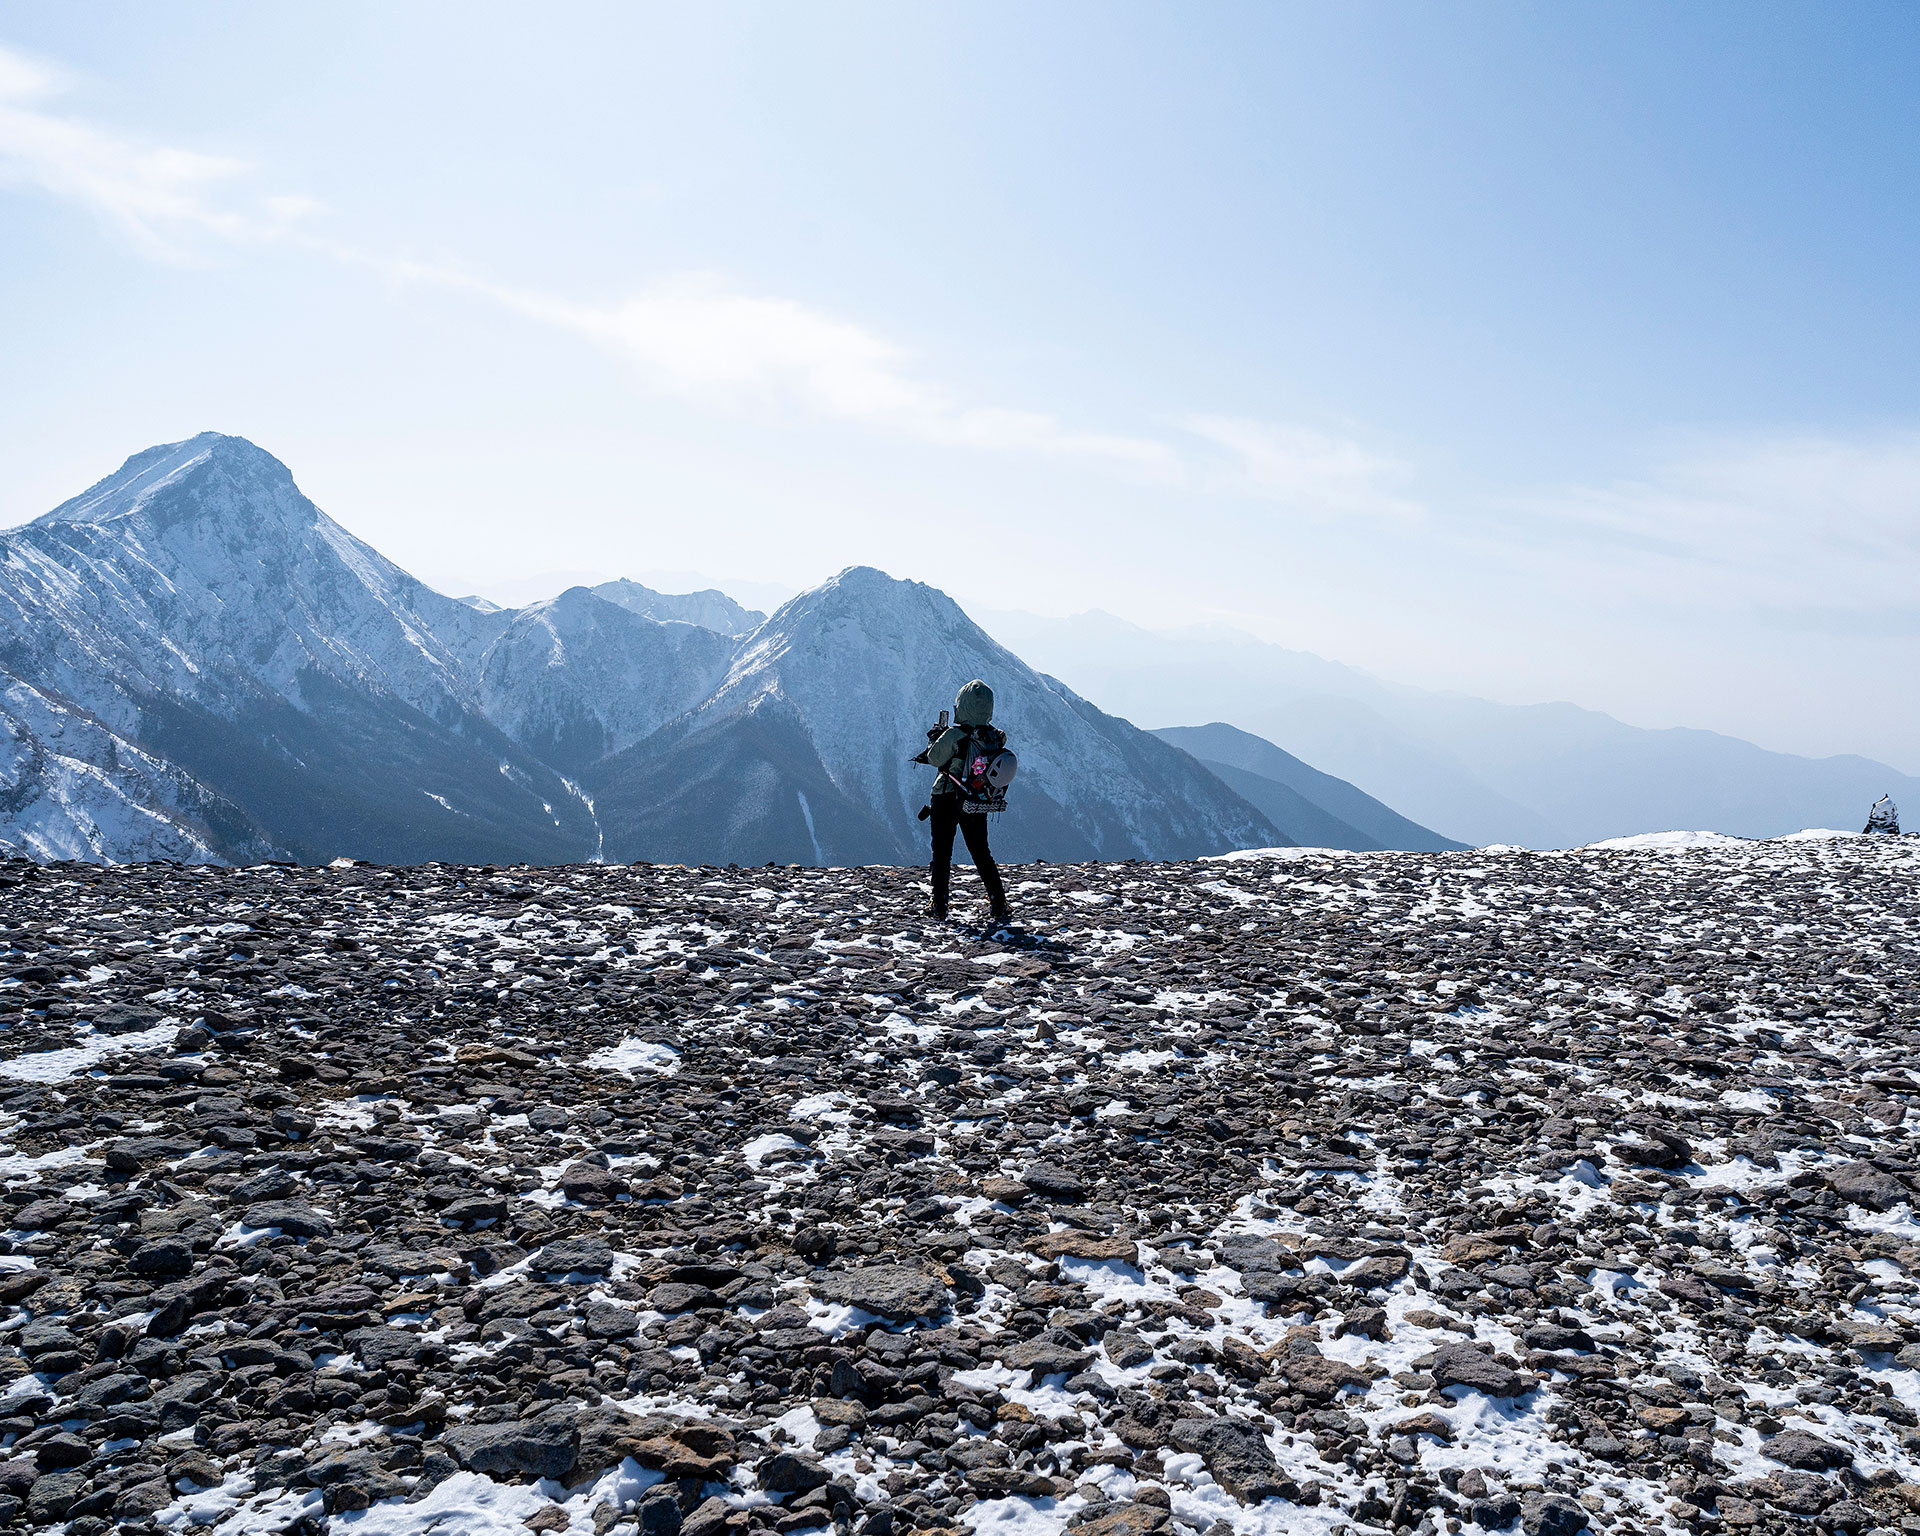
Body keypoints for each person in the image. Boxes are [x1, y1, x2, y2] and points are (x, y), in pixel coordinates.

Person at [922, 679, 1011, 924]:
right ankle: (998, 902)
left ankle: (939, 905)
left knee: (941, 853)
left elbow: (934, 758)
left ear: (961, 705)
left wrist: (934, 737)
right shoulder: (993, 736)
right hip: (975, 799)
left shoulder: (955, 734)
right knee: (981, 851)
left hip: (946, 796)